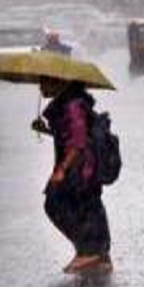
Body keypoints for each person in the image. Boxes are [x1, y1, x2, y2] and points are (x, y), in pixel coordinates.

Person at [32, 77, 112, 274]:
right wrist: (45, 130)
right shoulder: (69, 103)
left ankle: (89, 252)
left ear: (58, 82)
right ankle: (98, 256)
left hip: (82, 167)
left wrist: (62, 169)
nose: (41, 87)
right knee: (86, 208)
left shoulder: (73, 106)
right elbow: (69, 135)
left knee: (56, 203)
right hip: (81, 165)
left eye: (45, 82)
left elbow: (78, 141)